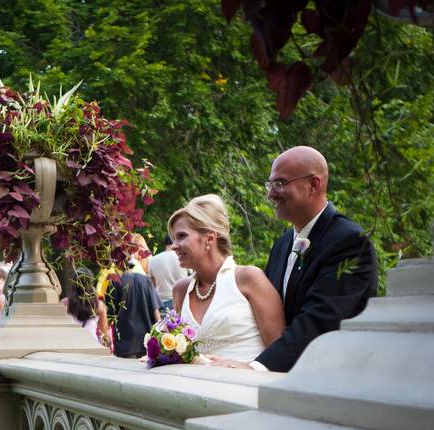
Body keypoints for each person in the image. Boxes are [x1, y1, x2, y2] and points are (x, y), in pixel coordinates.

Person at [211, 146, 377, 372]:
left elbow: (321, 320)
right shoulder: (282, 245)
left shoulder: (349, 242)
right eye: (270, 185)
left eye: (280, 183)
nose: (271, 194)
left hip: (333, 375)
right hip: (288, 377)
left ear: (314, 185)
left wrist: (257, 367)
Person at [169, 195, 285, 362]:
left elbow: (279, 350)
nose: (174, 246)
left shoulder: (248, 278)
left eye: (181, 236)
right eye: (174, 238)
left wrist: (248, 367)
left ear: (210, 238)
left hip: (245, 383)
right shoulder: (181, 290)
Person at [106, 259, 161, 359]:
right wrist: (161, 334)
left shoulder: (114, 281)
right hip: (147, 339)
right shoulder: (146, 280)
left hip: (125, 341)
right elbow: (155, 310)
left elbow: (110, 313)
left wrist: (106, 333)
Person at [62, 267, 112, 349]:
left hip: (71, 346)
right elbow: (103, 332)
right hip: (92, 346)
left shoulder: (65, 304)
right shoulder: (99, 305)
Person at [148, 233, 189, 312]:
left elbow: (152, 286)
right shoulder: (183, 258)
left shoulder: (153, 260)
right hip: (181, 301)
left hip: (161, 303)